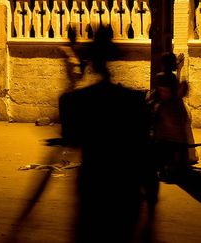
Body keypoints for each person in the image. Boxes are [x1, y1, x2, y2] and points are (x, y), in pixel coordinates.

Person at [59, 26, 158, 242]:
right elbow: (146, 157)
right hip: (125, 192)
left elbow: (70, 139)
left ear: (90, 63)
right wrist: (151, 211)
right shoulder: (132, 101)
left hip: (93, 190)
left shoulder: (76, 102)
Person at [147, 52, 192, 181]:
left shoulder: (159, 77)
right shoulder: (170, 78)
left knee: (162, 141)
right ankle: (174, 168)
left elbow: (158, 94)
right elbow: (174, 94)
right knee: (176, 141)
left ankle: (162, 168)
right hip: (172, 110)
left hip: (163, 110)